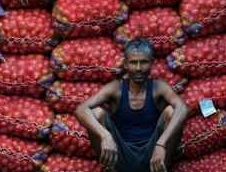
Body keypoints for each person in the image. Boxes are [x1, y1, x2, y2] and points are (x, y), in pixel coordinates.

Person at [74, 38, 190, 172]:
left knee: (171, 111)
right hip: (120, 157)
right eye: (134, 63)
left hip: (154, 157)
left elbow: (182, 108)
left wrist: (161, 144)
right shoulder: (116, 88)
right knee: (96, 113)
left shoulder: (159, 87)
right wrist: (105, 136)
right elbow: (81, 109)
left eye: (144, 62)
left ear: (152, 63)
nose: (139, 68)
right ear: (126, 64)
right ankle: (110, 168)